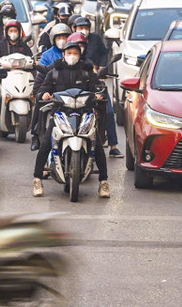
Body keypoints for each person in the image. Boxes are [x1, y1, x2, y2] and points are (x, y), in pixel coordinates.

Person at [32, 35, 109, 198]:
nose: (72, 55)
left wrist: (100, 95)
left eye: (75, 52)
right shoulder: (54, 72)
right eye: (69, 52)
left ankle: (103, 182)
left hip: (84, 115)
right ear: (64, 55)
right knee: (46, 143)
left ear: (80, 54)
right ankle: (37, 179)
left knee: (98, 145)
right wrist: (44, 94)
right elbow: (42, 90)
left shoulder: (88, 72)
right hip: (60, 115)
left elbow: (99, 88)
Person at [71, 17, 122, 158]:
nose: (79, 49)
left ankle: (113, 146)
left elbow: (104, 54)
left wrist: (101, 70)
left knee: (109, 112)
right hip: (75, 90)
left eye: (86, 27)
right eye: (75, 48)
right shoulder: (67, 61)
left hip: (95, 83)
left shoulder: (92, 52)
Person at [30, 23, 73, 150]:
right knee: (39, 106)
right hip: (52, 90)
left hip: (71, 93)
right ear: (53, 39)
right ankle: (36, 136)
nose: (62, 41)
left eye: (65, 37)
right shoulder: (48, 55)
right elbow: (42, 75)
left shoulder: (75, 53)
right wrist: (42, 93)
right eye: (59, 38)